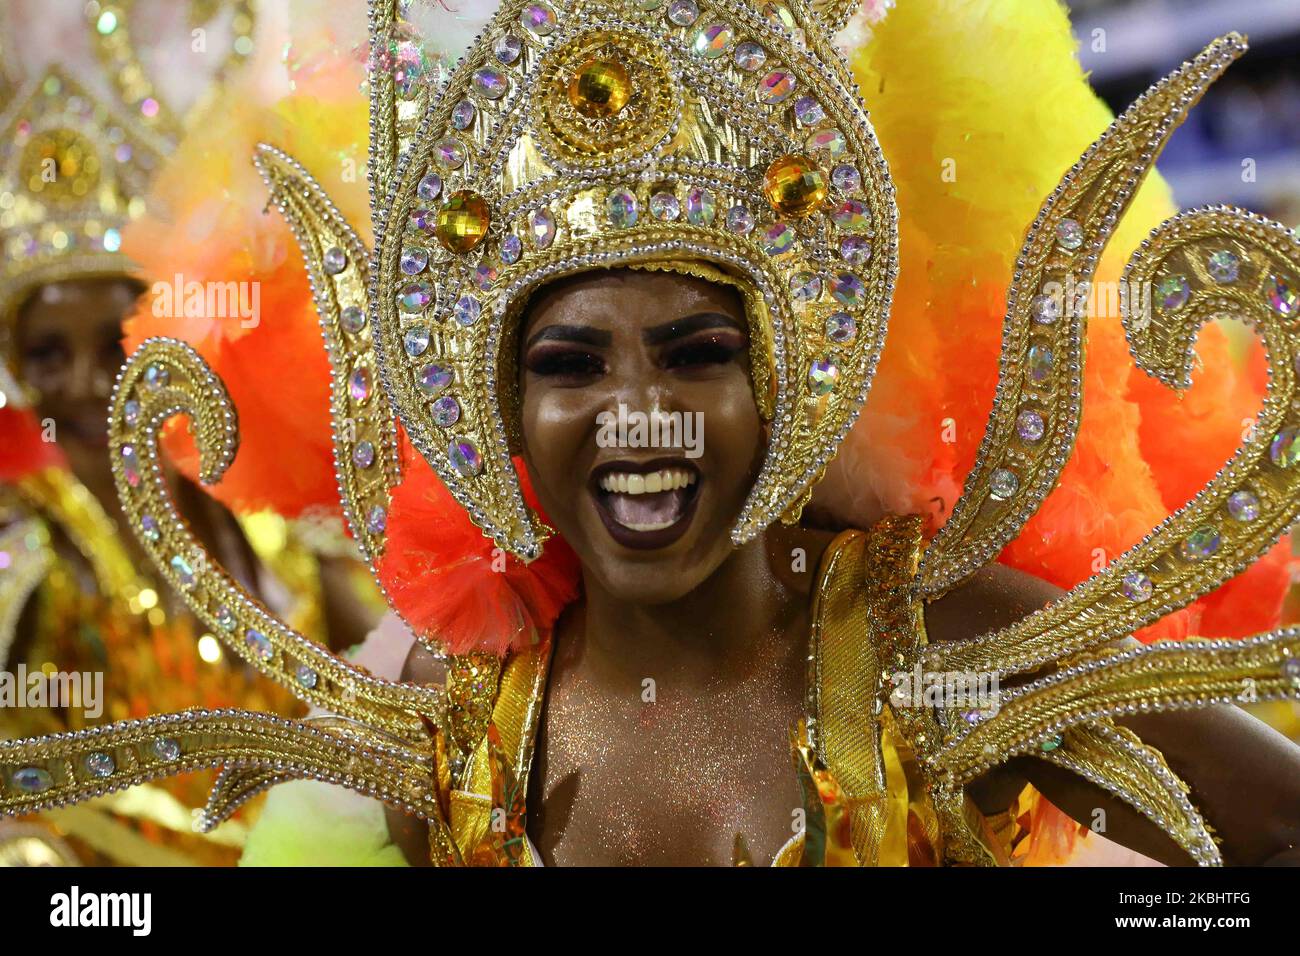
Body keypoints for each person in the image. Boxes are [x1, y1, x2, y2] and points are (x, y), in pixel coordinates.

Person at [3, 0, 1299, 867]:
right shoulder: (452, 722)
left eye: (698, 354)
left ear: (788, 382)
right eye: (572, 363)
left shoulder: (935, 645)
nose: (636, 408)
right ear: (501, 408)